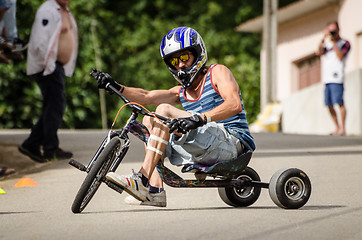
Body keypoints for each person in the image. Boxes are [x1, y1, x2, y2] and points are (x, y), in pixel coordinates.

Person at [96, 27, 256, 207]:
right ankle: (154, 191)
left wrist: (200, 118)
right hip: (206, 145)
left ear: (197, 53)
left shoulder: (217, 72)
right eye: (174, 60)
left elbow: (234, 104)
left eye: (184, 57)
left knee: (164, 109)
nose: (180, 65)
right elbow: (146, 96)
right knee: (149, 119)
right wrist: (115, 86)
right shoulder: (181, 92)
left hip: (232, 143)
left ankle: (141, 178)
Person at [19, 0, 78, 162]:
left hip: (56, 66)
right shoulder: (47, 10)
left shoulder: (65, 11)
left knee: (52, 106)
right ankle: (49, 147)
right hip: (48, 67)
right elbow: (40, 41)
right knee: (56, 106)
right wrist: (49, 65)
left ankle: (34, 143)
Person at [317, 21, 351, 136]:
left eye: (333, 31)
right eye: (330, 31)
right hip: (327, 78)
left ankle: (343, 128)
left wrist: (334, 42)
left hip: (337, 77)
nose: (332, 33)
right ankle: (337, 127)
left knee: (339, 102)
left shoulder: (344, 43)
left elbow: (340, 56)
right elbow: (319, 52)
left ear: (338, 30)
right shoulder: (327, 44)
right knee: (329, 104)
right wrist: (323, 38)